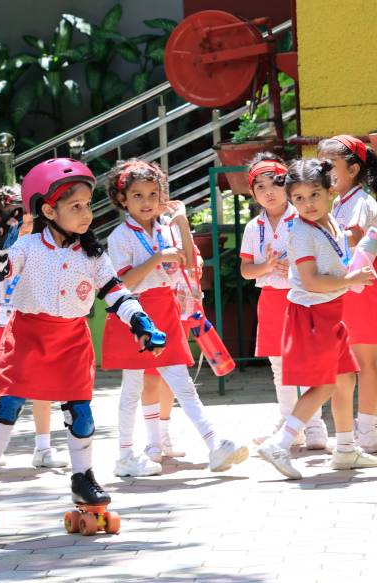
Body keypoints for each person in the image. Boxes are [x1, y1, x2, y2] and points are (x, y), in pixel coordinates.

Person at [0, 158, 166, 529]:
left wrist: (141, 322)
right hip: (28, 334)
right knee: (8, 405)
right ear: (49, 210)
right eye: (75, 207)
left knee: (80, 412)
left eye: (87, 205)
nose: (86, 214)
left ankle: (82, 478)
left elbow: (115, 291)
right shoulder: (27, 247)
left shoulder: (92, 253)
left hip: (72, 337)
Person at [102, 159, 249, 477]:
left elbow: (190, 267)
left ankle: (212, 443)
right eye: (137, 195)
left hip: (166, 309)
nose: (146, 202)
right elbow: (120, 285)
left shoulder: (165, 228)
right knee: (133, 387)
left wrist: (181, 226)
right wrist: (156, 259)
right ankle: (128, 455)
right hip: (135, 315)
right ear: (122, 199)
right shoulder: (119, 238)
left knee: (180, 382)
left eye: (152, 194)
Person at [255, 159, 377, 479]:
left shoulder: (332, 225)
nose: (307, 204)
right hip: (311, 316)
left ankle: (344, 450)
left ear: (331, 193)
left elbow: (340, 263)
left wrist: (358, 262)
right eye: (298, 199)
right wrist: (350, 281)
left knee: (345, 379)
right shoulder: (299, 232)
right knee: (325, 384)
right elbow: (311, 281)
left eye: (314, 195)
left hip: (330, 312)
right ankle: (280, 444)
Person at [0, 185, 66, 469]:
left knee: (43, 386)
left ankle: (44, 448)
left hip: (36, 319)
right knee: (4, 387)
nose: (24, 220)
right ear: (0, 219)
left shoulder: (42, 244)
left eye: (28, 214)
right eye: (15, 214)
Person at [239, 153, 327, 450]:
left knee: (308, 363)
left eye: (275, 184)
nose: (269, 192)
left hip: (303, 298)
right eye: (260, 187)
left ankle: (315, 426)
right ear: (252, 193)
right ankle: (289, 423)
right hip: (271, 300)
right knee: (279, 366)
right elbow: (246, 269)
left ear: (286, 185)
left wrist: (293, 267)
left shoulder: (303, 218)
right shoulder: (253, 227)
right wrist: (266, 267)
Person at [316, 135, 377, 452]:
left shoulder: (362, 201)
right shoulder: (337, 202)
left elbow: (355, 235)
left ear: (352, 168)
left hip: (363, 282)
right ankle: (352, 433)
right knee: (344, 363)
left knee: (363, 362)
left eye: (329, 165)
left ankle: (369, 430)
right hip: (345, 283)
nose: (324, 171)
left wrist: (316, 230)